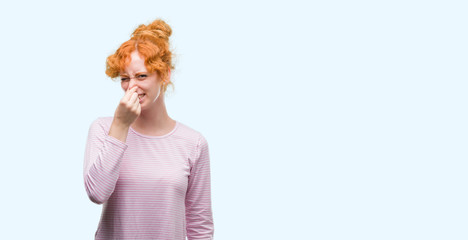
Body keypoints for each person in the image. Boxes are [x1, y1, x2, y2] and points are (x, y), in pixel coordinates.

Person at [83, 18, 214, 240]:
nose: (131, 86)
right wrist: (121, 125)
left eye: (142, 76)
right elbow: (97, 193)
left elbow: (199, 224)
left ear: (164, 75)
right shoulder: (104, 129)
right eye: (125, 78)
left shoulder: (193, 143)